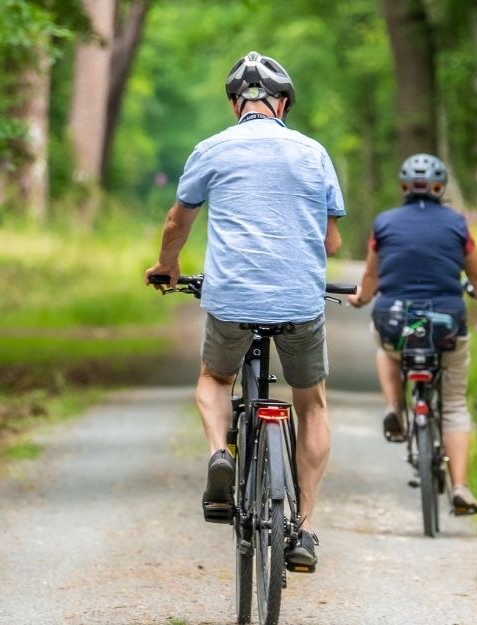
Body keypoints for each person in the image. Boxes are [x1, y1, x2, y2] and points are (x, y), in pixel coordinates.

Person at [144, 51, 345, 571]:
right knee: (313, 404)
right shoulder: (313, 152)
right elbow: (332, 240)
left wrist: (168, 266)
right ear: (282, 103)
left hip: (231, 298)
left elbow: (176, 223)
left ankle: (220, 454)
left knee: (214, 378)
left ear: (236, 104)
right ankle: (305, 530)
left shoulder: (211, 149)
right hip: (300, 301)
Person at [347, 153, 477, 516]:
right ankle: (460, 486)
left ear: (403, 187)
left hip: (395, 320)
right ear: (440, 187)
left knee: (384, 345)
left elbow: (371, 276)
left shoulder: (384, 223)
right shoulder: (458, 224)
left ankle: (394, 407)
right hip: (446, 323)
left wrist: (362, 298)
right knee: (456, 405)